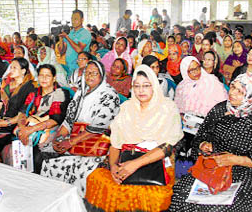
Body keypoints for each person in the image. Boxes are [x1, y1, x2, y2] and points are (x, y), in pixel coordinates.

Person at [169, 73, 252, 211]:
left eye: (240, 91)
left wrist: (234, 159)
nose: (232, 92)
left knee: (221, 207)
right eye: (233, 87)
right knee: (180, 196)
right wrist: (203, 145)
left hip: (248, 171)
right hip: (214, 165)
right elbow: (200, 135)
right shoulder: (220, 109)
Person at [85, 65, 184, 212]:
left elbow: (167, 147)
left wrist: (134, 165)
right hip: (126, 159)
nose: (141, 90)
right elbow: (115, 144)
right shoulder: (126, 108)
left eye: (146, 85)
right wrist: (113, 168)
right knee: (96, 179)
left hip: (156, 163)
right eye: (137, 86)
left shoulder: (167, 108)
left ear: (154, 86)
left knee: (145, 195)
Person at [41, 60, 121, 196]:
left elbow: (98, 127)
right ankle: (58, 200)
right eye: (87, 73)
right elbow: (68, 121)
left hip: (98, 145)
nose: (90, 76)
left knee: (79, 168)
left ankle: (78, 203)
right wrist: (58, 139)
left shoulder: (109, 95)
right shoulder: (80, 93)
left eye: (94, 73)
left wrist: (69, 142)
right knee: (45, 158)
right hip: (75, 140)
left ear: (102, 75)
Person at [13, 64, 71, 172]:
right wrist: (22, 128)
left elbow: (56, 119)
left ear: (54, 78)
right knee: (12, 150)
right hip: (30, 128)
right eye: (41, 75)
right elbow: (22, 112)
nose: (44, 78)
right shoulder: (34, 93)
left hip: (51, 128)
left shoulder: (60, 93)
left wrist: (30, 130)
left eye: (48, 76)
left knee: (36, 156)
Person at [0, 58, 36, 161]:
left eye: (14, 68)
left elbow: (24, 113)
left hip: (16, 123)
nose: (11, 70)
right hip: (2, 122)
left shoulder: (29, 88)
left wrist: (5, 123)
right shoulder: (7, 86)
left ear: (23, 71)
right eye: (10, 67)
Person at [59, 10, 92, 75]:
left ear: (82, 20)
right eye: (72, 19)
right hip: (69, 66)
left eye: (76, 19)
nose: (73, 21)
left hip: (79, 67)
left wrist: (67, 37)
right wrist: (61, 38)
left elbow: (79, 50)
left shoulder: (85, 33)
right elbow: (61, 51)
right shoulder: (70, 32)